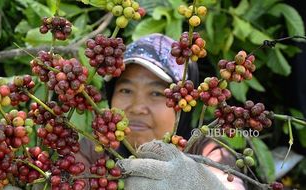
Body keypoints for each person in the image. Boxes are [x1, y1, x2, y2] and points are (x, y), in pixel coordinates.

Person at [77, 33, 246, 189]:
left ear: (185, 103)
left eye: (156, 93)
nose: (137, 108)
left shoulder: (207, 153)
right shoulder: (94, 149)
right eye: (126, 90)